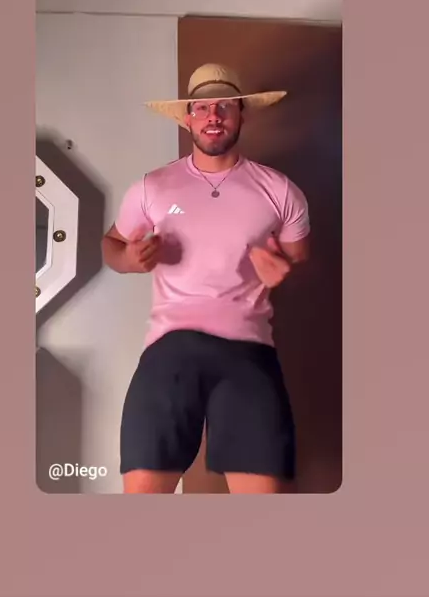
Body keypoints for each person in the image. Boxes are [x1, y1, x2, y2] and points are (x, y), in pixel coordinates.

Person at [102, 63, 310, 494]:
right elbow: (112, 245)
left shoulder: (280, 190)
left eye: (225, 106)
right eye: (202, 107)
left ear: (241, 114)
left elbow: (297, 257)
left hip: (249, 355)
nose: (213, 115)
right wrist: (130, 259)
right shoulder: (152, 187)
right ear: (188, 118)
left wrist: (283, 272)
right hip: (169, 350)